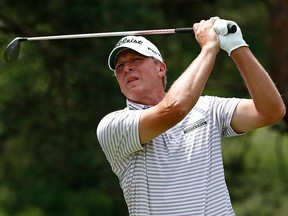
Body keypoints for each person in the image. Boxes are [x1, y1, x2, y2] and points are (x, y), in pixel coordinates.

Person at [96, 17, 286, 216]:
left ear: (161, 68)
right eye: (119, 67)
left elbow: (271, 111)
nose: (126, 68)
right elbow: (174, 108)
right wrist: (209, 48)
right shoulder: (113, 125)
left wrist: (237, 46)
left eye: (136, 60)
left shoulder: (208, 107)